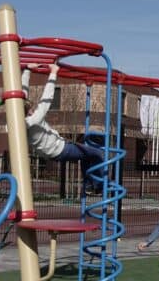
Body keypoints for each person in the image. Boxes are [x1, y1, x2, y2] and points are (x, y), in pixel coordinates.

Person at [21, 62, 105, 195]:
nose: (32, 110)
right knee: (97, 154)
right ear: (26, 113)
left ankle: (89, 184)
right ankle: (99, 186)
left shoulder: (18, 123)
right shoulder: (33, 120)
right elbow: (46, 99)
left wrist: (26, 70)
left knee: (86, 156)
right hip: (61, 149)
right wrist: (53, 73)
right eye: (30, 109)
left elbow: (20, 97)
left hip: (56, 150)